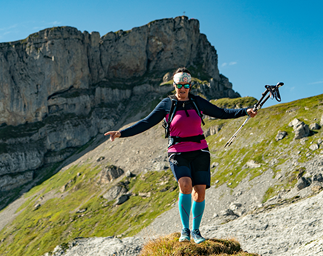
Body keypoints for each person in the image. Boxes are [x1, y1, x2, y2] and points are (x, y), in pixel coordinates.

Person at [104, 67, 257, 243]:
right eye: (179, 85)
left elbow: (221, 112)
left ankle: (196, 231)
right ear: (174, 85)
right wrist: (121, 133)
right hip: (177, 151)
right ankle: (185, 230)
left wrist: (245, 111)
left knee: (199, 192)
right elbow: (146, 123)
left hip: (200, 151)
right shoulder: (166, 104)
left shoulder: (198, 102)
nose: (182, 89)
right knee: (185, 184)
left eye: (186, 85)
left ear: (190, 85)